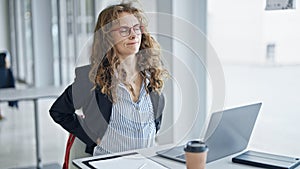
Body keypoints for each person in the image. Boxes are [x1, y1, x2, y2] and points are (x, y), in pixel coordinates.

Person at [49, 2, 169, 169]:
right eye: (124, 30)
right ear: (107, 36)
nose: (133, 35)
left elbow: (154, 125)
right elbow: (59, 111)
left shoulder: (152, 77)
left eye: (136, 28)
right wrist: (91, 137)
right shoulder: (92, 79)